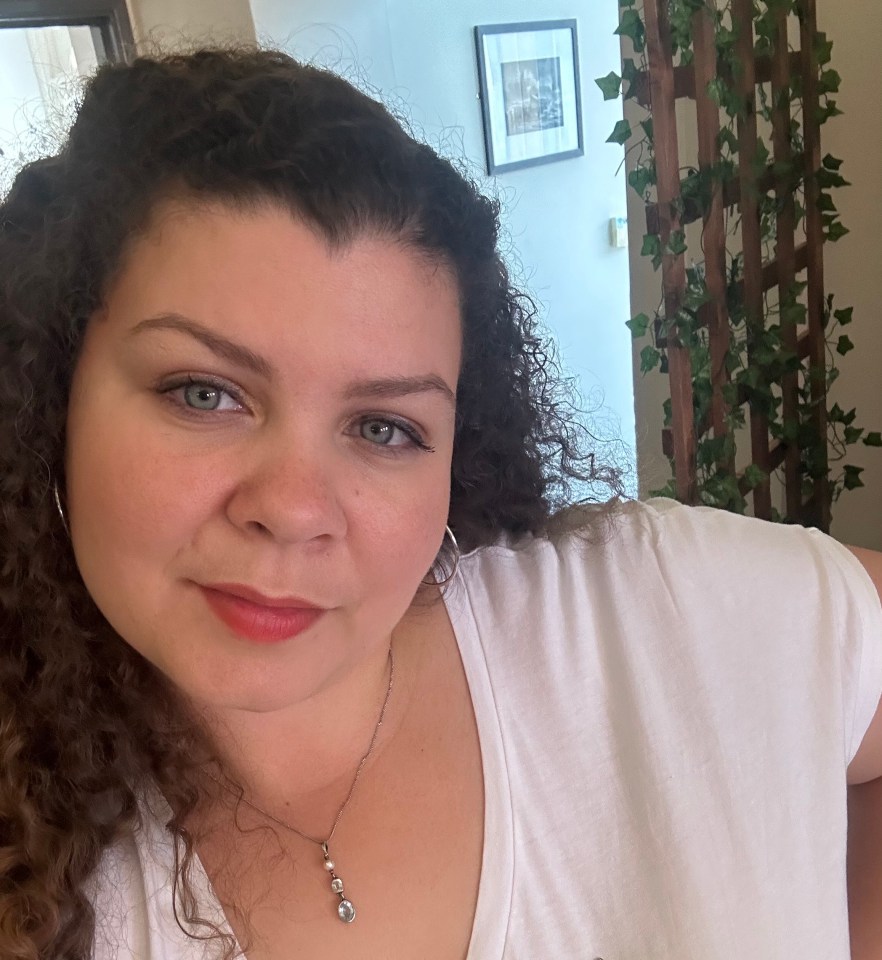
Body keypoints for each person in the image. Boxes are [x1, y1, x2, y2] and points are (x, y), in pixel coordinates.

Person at [0, 46, 880, 960]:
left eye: (384, 428)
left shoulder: (647, 619)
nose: (296, 510)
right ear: (49, 396)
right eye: (203, 392)